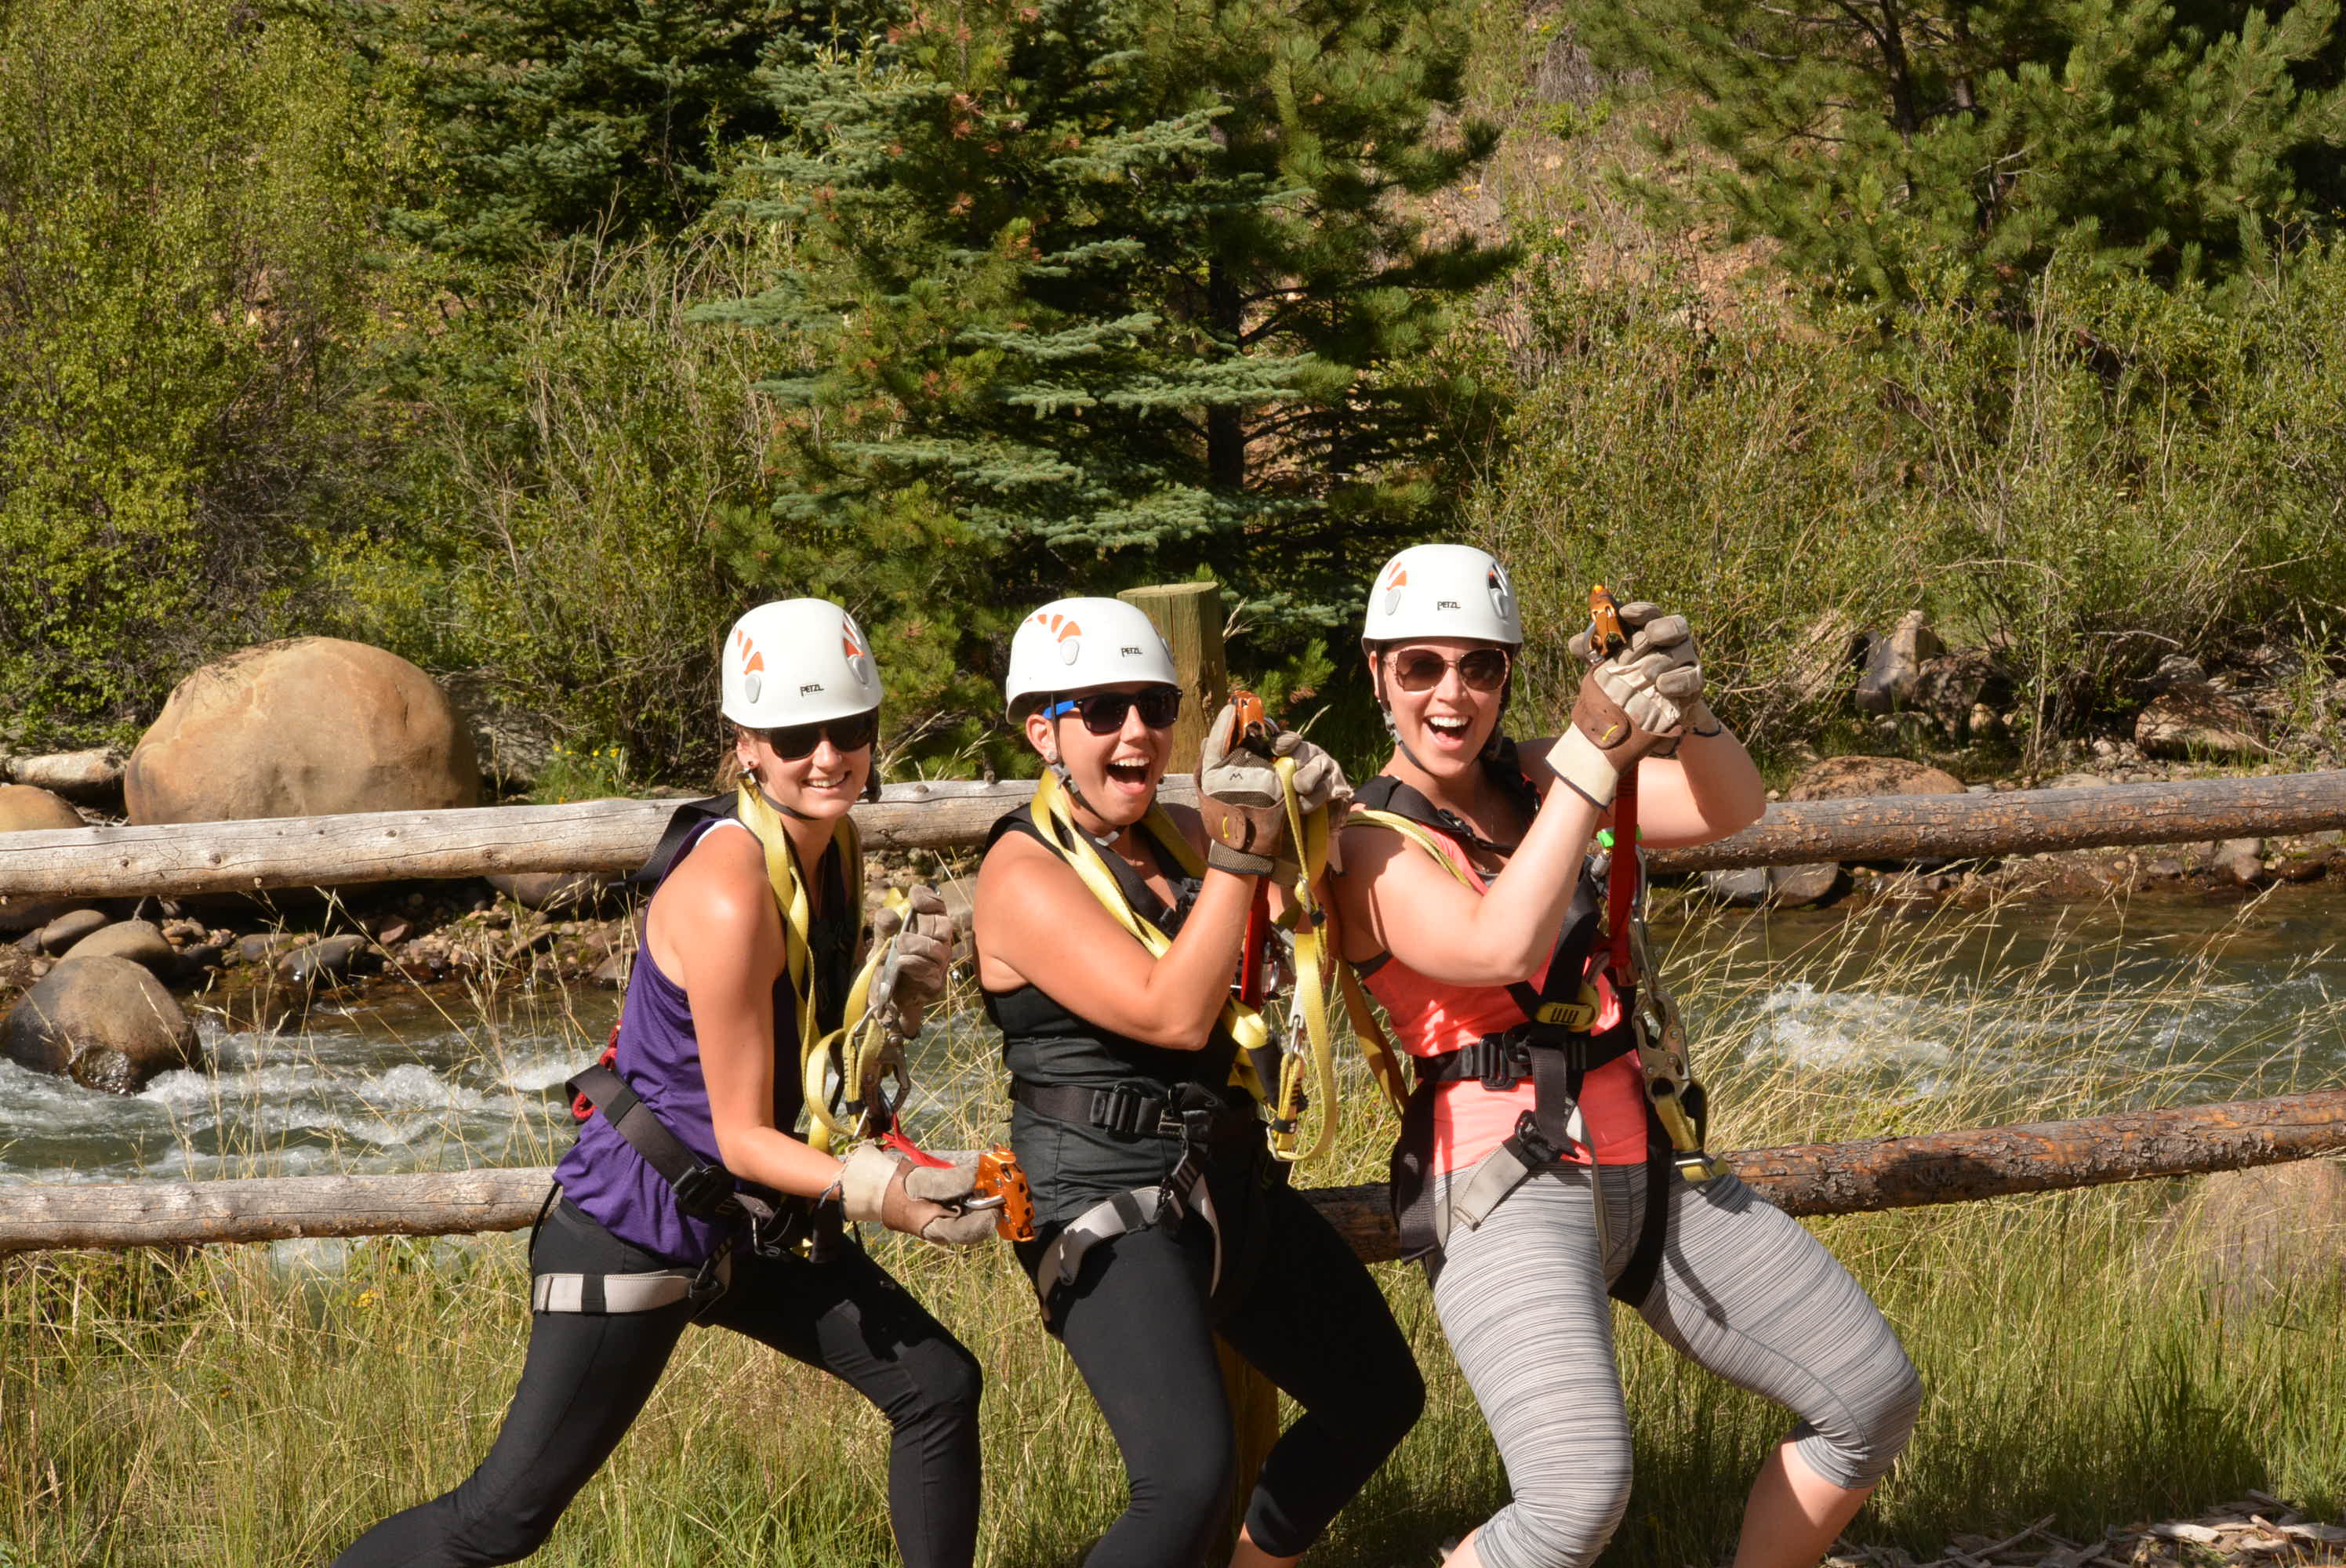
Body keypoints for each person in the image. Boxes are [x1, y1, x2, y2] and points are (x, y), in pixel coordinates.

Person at [332, 598, 993, 1568]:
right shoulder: (730, 887)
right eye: (794, 736)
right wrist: (884, 1191)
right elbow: (737, 1133)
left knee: (937, 1384)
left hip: (740, 1216)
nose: (827, 756)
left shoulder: (832, 847)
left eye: (848, 728)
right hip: (640, 1221)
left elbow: (797, 1057)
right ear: (746, 746)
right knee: (500, 1520)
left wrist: (886, 1002)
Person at [1327, 546, 1923, 1568]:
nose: (1451, 693)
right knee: (1575, 1501)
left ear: (1507, 674)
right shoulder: (1371, 842)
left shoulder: (1536, 777)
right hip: (1499, 1188)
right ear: (1379, 674)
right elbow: (1497, 944)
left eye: (1479, 665)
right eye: (1420, 666)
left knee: (1870, 1395)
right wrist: (1593, 755)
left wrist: (1688, 709)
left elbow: (1731, 807)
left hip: (1645, 1162)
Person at [971, 597, 1425, 1568]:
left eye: (1155, 705)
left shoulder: (1180, 831)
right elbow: (1171, 1010)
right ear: (1043, 732)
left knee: (1376, 1393)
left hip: (1220, 1173)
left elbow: (1298, 927)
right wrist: (1240, 849)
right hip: (1100, 1194)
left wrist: (1310, 825)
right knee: (1185, 1478)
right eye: (1103, 710)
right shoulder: (1020, 870)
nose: (1136, 730)